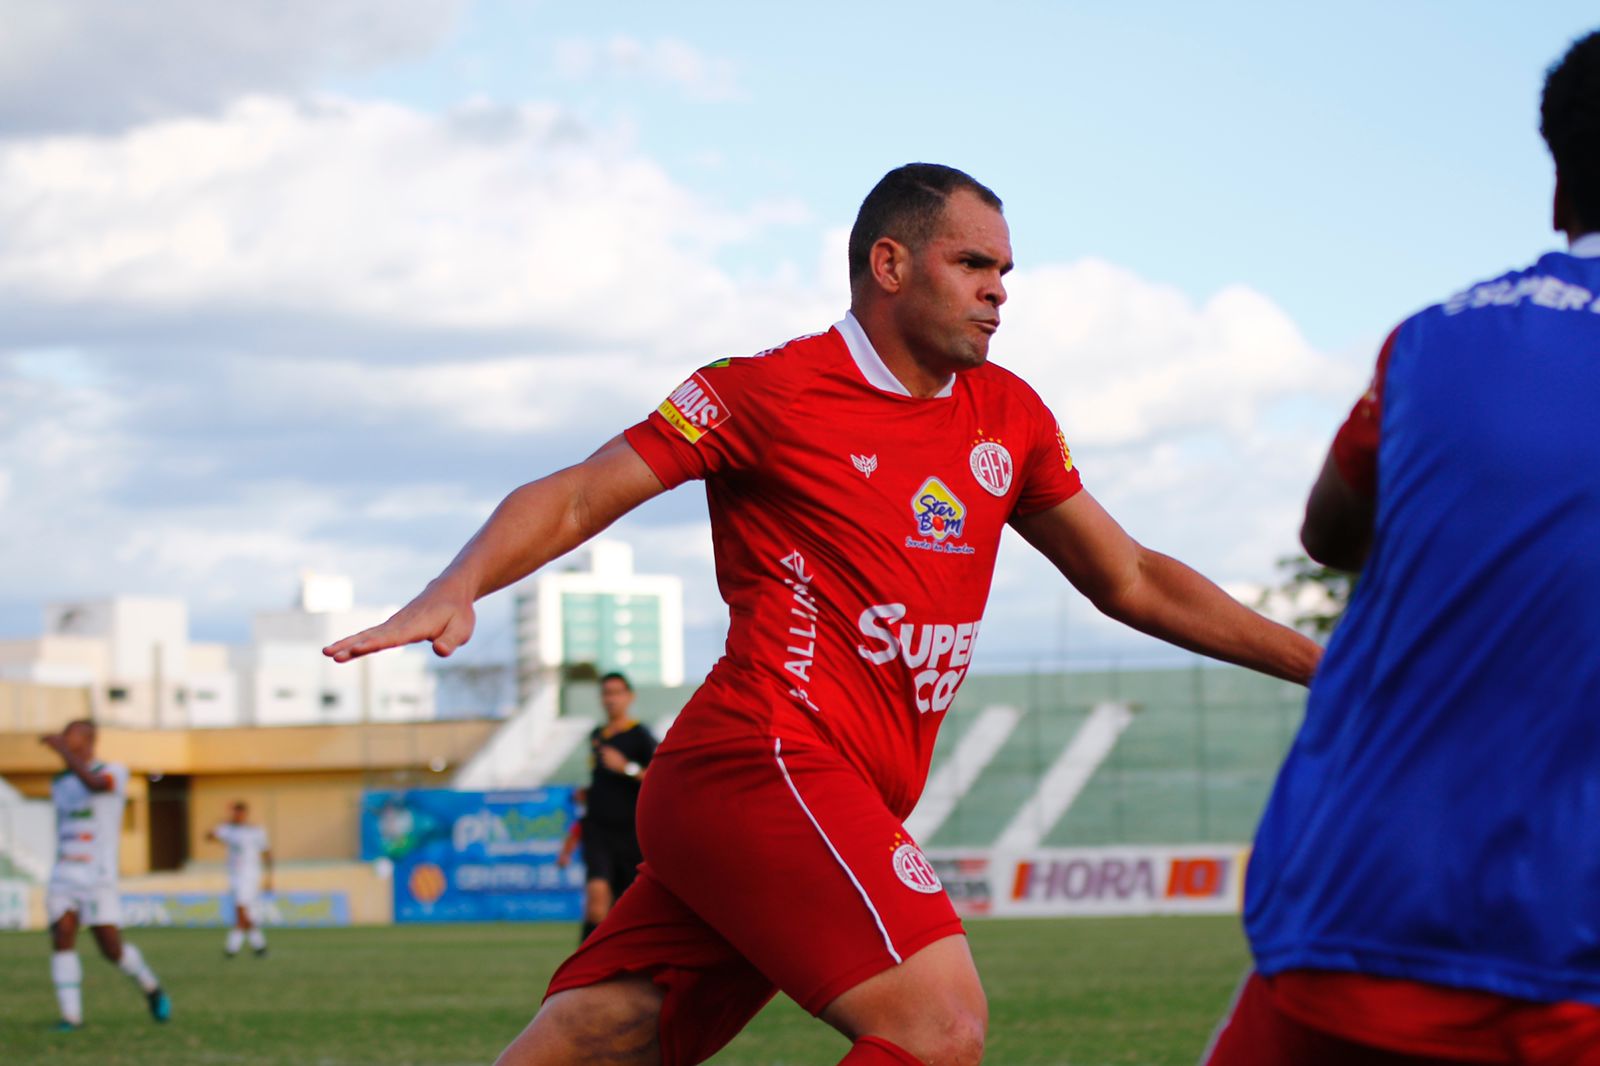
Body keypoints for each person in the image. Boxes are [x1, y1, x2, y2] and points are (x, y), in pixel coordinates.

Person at [326, 162, 1320, 1066]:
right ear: (889, 263)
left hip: (812, 791)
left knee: (604, 1032)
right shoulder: (767, 393)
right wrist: (459, 582)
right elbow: (585, 492)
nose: (999, 291)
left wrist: (1329, 663)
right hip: (762, 758)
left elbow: (1132, 576)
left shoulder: (1007, 416)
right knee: (937, 1024)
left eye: (1006, 270)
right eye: (973, 263)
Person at [1204, 29, 1600, 1066]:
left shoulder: (1431, 338)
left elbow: (1328, 529)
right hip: (1560, 953)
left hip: (1346, 906)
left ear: (1559, 187)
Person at [42, 719, 172, 1030]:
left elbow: (95, 785)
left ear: (88, 739)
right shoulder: (59, 781)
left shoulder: (113, 772)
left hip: (97, 876)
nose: (63, 737)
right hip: (64, 873)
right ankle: (71, 1017)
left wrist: (64, 753)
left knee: (111, 949)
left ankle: (151, 987)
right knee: (62, 937)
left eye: (69, 734)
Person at [573, 673, 656, 943]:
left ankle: (619, 968)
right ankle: (583, 970)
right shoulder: (598, 736)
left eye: (616, 693)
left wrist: (627, 768)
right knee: (596, 897)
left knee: (627, 908)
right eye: (606, 693)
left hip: (631, 832)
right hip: (598, 828)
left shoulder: (640, 735)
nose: (611, 699)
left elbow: (657, 778)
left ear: (629, 697)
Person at [207, 800, 273, 959]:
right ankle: (259, 947)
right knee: (245, 913)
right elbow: (209, 836)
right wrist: (219, 824)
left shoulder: (255, 831)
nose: (237, 816)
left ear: (245, 813)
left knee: (241, 911)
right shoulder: (228, 829)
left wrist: (269, 877)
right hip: (235, 876)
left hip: (250, 875)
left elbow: (267, 853)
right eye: (235, 813)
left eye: (240, 813)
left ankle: (232, 948)